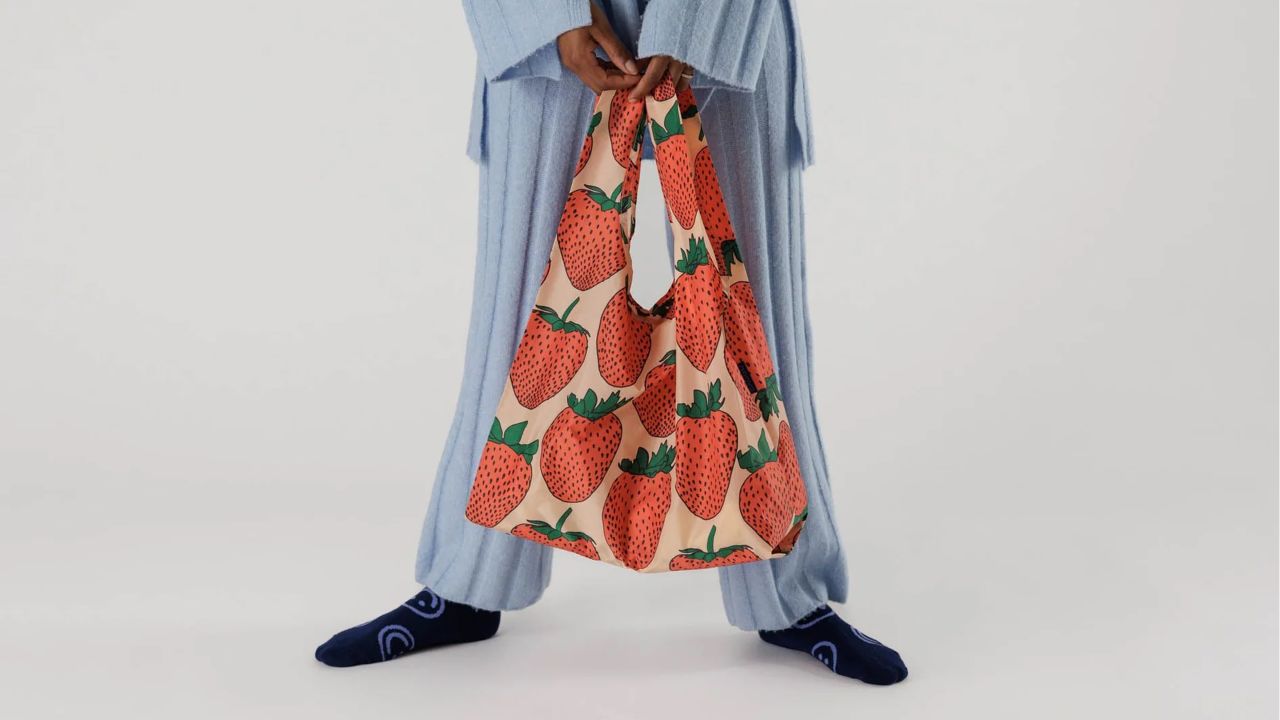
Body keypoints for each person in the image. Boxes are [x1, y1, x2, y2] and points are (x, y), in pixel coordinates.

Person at [314, 0, 907, 685]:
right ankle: (466, 583)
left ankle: (791, 592)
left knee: (752, 318)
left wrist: (693, 22)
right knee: (516, 313)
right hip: (546, 33)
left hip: (728, 23)